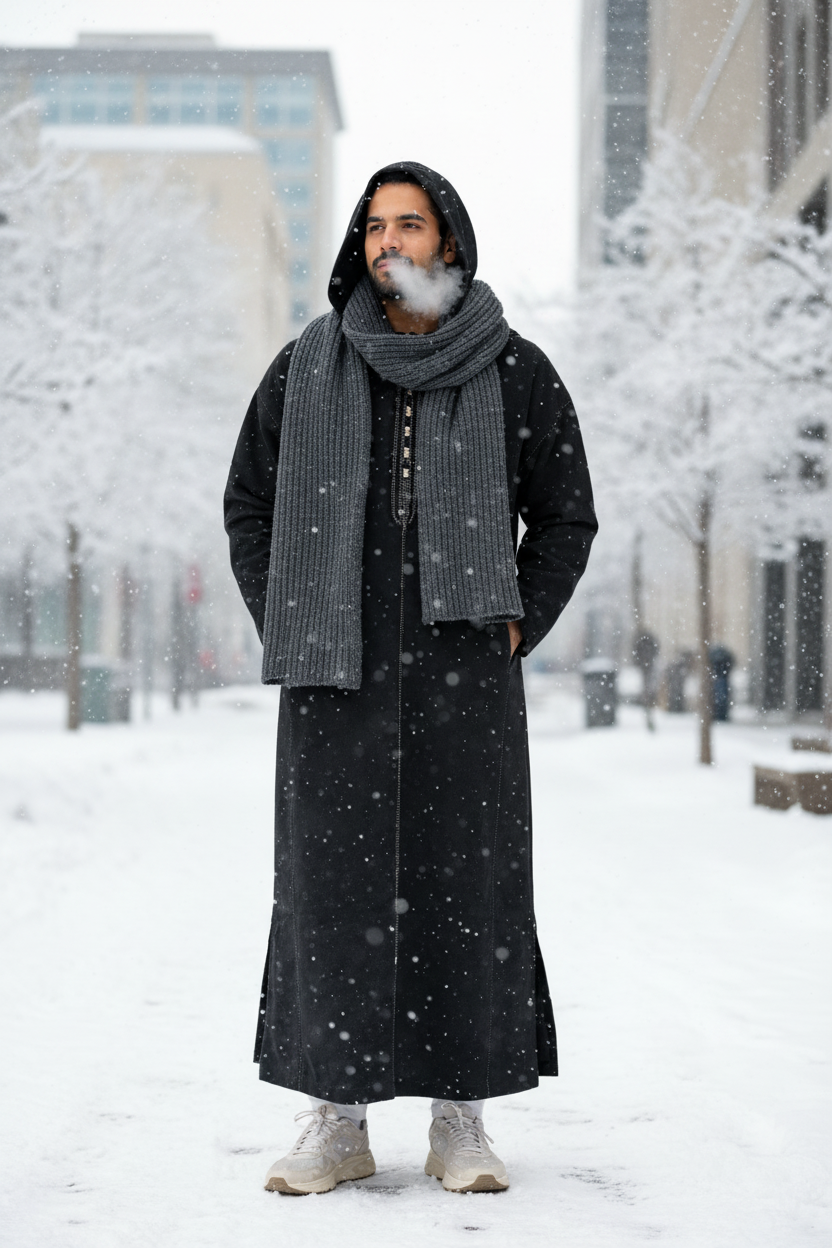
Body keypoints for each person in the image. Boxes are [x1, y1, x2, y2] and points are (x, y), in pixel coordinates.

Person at [224, 162, 597, 1196]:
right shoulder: (306, 367)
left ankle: (461, 1118)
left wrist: (524, 619)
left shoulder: (514, 369)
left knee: (466, 883)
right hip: (332, 672)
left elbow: (565, 514)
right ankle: (335, 1119)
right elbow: (248, 503)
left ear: (448, 240)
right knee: (328, 888)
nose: (392, 240)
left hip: (464, 667)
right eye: (377, 224)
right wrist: (286, 613)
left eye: (412, 223)